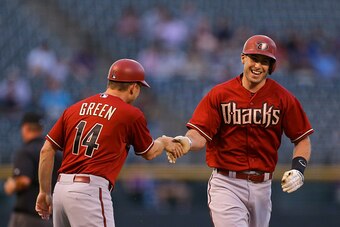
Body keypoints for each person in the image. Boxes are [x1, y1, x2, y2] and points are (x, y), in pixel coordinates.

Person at [170, 35, 314, 227]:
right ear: (243, 58)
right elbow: (200, 133)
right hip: (226, 183)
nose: (258, 65)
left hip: (263, 186)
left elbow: (302, 138)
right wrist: (186, 142)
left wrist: (298, 170)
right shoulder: (220, 94)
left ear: (271, 66)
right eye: (254, 59)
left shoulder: (283, 98)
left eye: (265, 61)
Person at [35, 58, 183, 227]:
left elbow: (46, 150)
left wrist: (44, 192)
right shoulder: (130, 114)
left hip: (60, 190)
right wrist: (163, 142)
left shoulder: (74, 108)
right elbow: (149, 152)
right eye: (139, 87)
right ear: (133, 87)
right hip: (89, 190)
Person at [4, 112, 62, 227]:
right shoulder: (55, 153)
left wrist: (11, 185)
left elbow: (24, 180)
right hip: (50, 218)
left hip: (28, 217)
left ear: (25, 128)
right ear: (41, 129)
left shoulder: (25, 151)